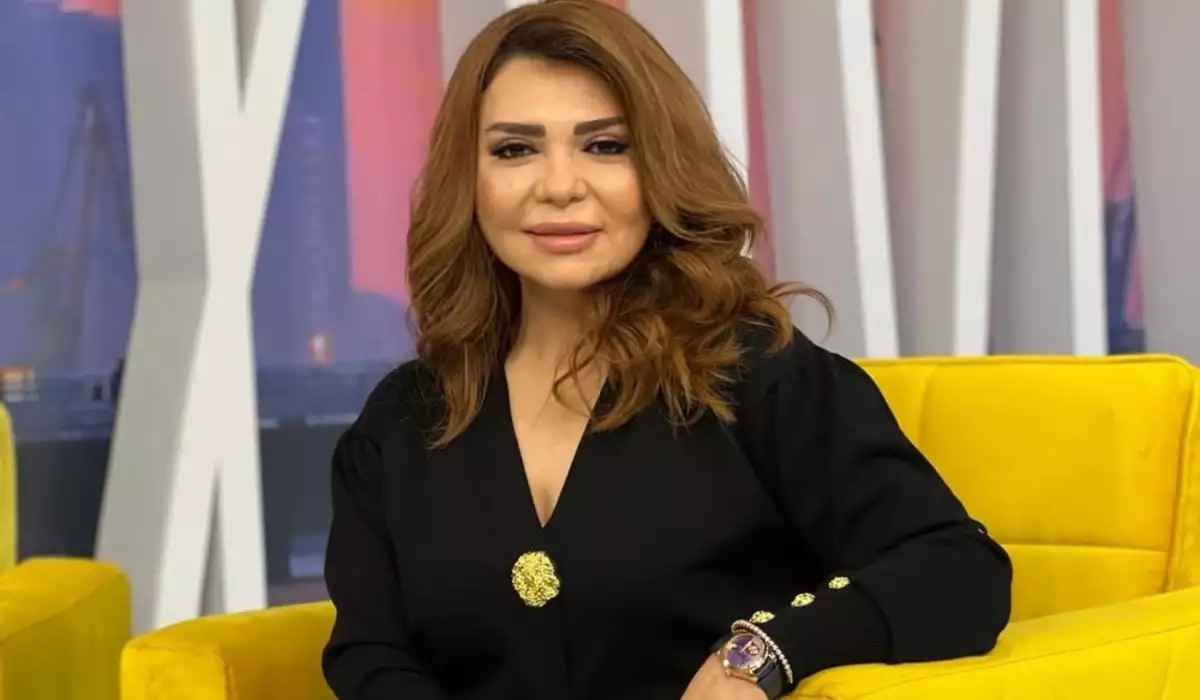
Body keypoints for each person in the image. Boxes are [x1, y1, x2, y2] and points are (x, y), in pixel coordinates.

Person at [321, 1, 1012, 698]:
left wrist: (764, 655)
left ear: (659, 168)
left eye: (605, 146)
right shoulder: (400, 422)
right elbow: (370, 652)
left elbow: (956, 569)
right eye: (514, 150)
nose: (559, 187)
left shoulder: (754, 373)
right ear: (467, 181)